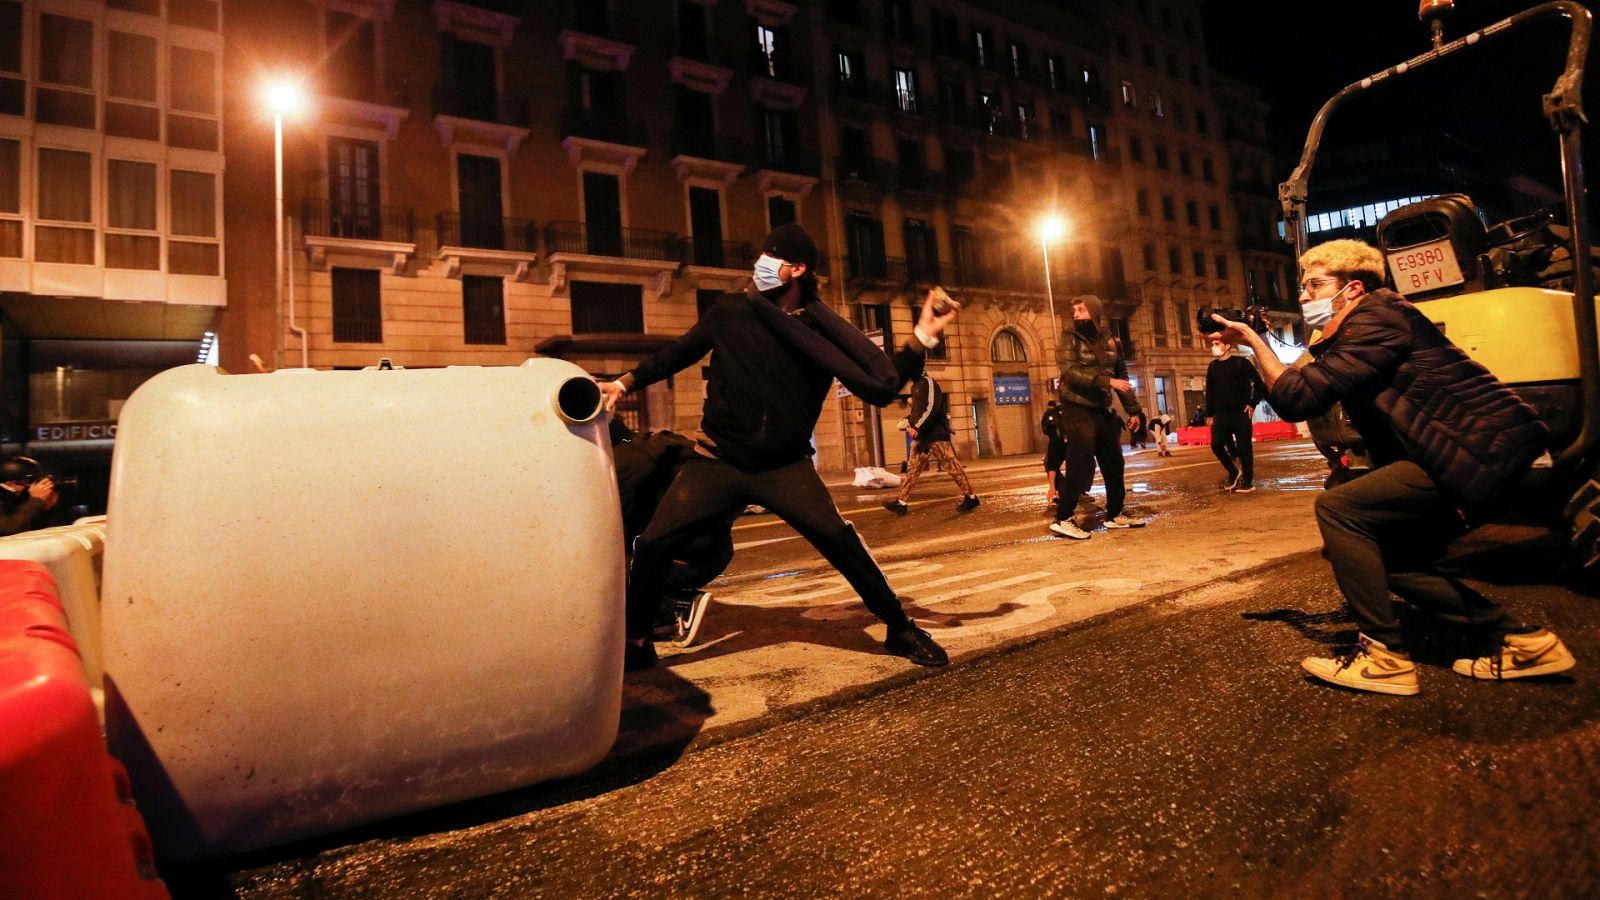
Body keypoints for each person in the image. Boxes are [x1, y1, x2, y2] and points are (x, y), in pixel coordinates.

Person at [1211, 238, 1575, 696]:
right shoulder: (1360, 327)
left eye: (1316, 285)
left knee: (1340, 509)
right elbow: (1296, 390)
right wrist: (1254, 344)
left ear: (1353, 289)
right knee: (1394, 559)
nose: (1304, 295)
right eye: (1303, 286)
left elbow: (1297, 398)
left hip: (1484, 452)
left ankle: (1383, 656)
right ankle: (1524, 643)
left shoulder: (1377, 319)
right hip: (1475, 454)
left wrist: (1252, 340)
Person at [599, 224, 958, 670]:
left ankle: (899, 627)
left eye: (771, 257)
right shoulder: (731, 310)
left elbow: (880, 382)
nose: (759, 266)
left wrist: (922, 336)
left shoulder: (822, 331)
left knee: (839, 541)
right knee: (652, 544)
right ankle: (636, 640)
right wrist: (625, 381)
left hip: (784, 467)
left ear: (797, 269)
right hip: (717, 459)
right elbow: (680, 352)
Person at [611, 419, 731, 648]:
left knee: (609, 573)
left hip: (692, 558)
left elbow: (616, 538)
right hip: (707, 549)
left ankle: (674, 610)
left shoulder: (624, 466)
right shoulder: (643, 448)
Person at [1048, 294, 1146, 540]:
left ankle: (1115, 514)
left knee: (1114, 461)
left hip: (1100, 408)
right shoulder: (1068, 338)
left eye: (1081, 309)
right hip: (1076, 405)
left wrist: (1134, 410)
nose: (1076, 313)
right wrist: (1106, 381)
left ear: (1094, 311)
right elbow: (1069, 372)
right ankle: (1063, 518)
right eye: (1075, 310)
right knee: (1080, 462)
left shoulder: (1111, 339)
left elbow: (1121, 375)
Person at [884, 373, 978, 515]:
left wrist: (917, 428)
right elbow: (919, 411)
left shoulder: (929, 383)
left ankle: (971, 497)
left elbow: (932, 409)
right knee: (912, 470)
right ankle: (901, 503)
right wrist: (909, 420)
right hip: (922, 438)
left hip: (935, 436)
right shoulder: (916, 386)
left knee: (953, 467)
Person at [1205, 332, 1267, 492]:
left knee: (1245, 448)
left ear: (1227, 346)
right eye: (1212, 344)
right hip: (1220, 415)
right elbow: (1210, 391)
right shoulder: (1212, 367)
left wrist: (1253, 403)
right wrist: (1209, 414)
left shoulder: (1241, 363)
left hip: (1241, 413)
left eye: (1217, 344)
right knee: (1216, 445)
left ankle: (1248, 481)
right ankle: (1233, 471)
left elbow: (1259, 382)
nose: (1214, 347)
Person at [0, 457, 58, 537]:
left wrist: (45, 509)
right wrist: (35, 501)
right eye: (29, 481)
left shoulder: (17, 497)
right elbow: (8, 529)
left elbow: (33, 529)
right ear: (9, 484)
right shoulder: (5, 499)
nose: (32, 486)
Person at [1041, 399, 1068, 504]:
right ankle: (1065, 491)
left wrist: (1052, 487)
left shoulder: (1049, 414)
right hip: (1067, 445)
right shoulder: (1061, 414)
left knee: (1051, 465)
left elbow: (1044, 430)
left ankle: (1066, 492)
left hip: (1060, 445)